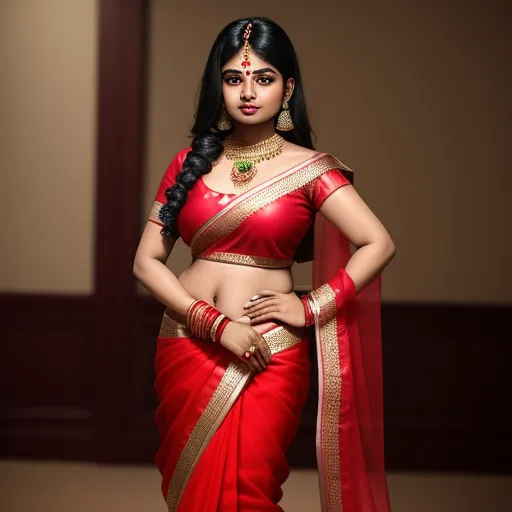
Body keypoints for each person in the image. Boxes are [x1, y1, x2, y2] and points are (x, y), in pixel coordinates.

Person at [133, 16, 395, 512]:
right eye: (234, 78)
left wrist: (312, 306)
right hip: (188, 344)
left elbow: (377, 242)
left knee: (247, 493)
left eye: (264, 78)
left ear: (288, 88)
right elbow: (146, 263)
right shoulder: (189, 163)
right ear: (219, 86)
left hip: (266, 350)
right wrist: (212, 323)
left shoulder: (310, 170)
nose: (248, 91)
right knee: (190, 495)